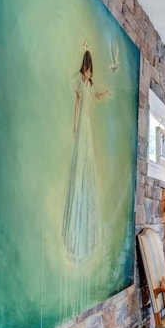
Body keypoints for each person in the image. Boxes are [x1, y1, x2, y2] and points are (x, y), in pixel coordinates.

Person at [62, 45, 111, 263]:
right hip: (82, 124)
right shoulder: (78, 82)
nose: (89, 73)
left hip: (88, 125)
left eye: (91, 70)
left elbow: (95, 97)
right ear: (84, 67)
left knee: (88, 161)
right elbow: (77, 102)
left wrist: (106, 93)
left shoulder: (88, 84)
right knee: (81, 160)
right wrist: (74, 125)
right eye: (87, 69)